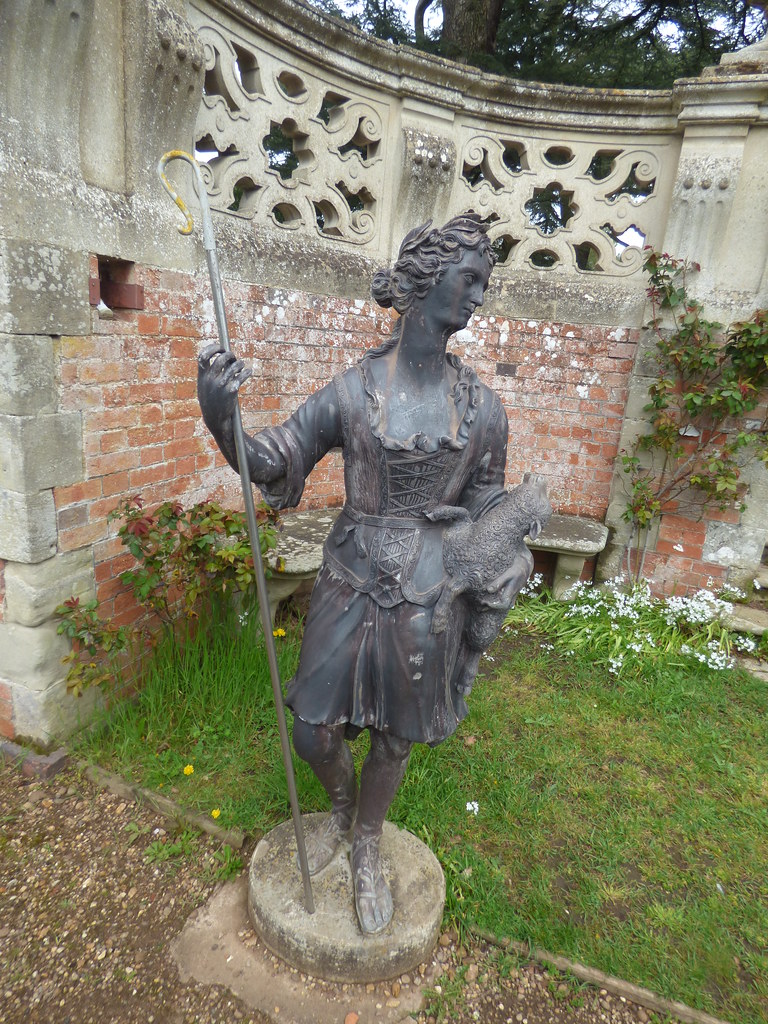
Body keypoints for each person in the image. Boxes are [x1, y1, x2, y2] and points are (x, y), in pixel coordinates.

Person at [197, 213, 523, 935]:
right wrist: (224, 422)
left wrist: (502, 553)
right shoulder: (352, 392)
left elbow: (489, 505)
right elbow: (279, 456)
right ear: (426, 278)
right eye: (469, 279)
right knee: (312, 729)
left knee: (396, 735)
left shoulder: (484, 412)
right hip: (349, 579)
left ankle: (368, 841)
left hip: (429, 591)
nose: (478, 296)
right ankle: (342, 808)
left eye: (484, 283)